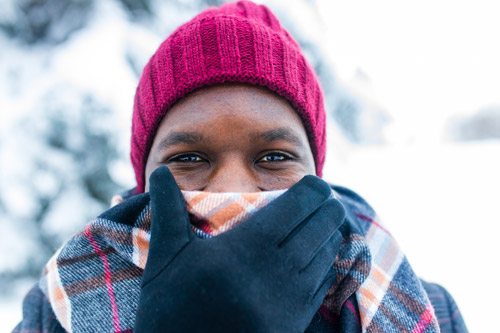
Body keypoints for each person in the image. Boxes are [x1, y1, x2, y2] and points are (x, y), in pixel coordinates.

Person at [14, 1, 467, 332]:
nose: (234, 188)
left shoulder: (432, 310)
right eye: (188, 158)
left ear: (317, 174)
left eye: (274, 157)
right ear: (143, 176)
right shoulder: (55, 310)